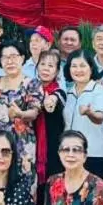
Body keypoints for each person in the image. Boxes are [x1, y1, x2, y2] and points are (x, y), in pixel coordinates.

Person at [0, 43, 42, 173]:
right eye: (5, 57)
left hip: (23, 147)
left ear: (22, 58)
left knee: (22, 182)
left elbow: (34, 112)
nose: (10, 61)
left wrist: (20, 114)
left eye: (13, 56)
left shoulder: (32, 83)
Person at [63, 50, 103, 181]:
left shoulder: (99, 90)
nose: (78, 70)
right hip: (70, 155)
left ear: (91, 68)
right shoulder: (69, 93)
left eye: (82, 66)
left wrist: (90, 113)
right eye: (74, 66)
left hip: (92, 154)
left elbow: (100, 117)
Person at [34, 50, 67, 188]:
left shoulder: (59, 92)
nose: (46, 69)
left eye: (51, 65)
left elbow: (54, 99)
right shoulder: (31, 91)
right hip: (31, 147)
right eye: (42, 64)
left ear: (57, 71)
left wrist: (49, 101)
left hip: (53, 150)